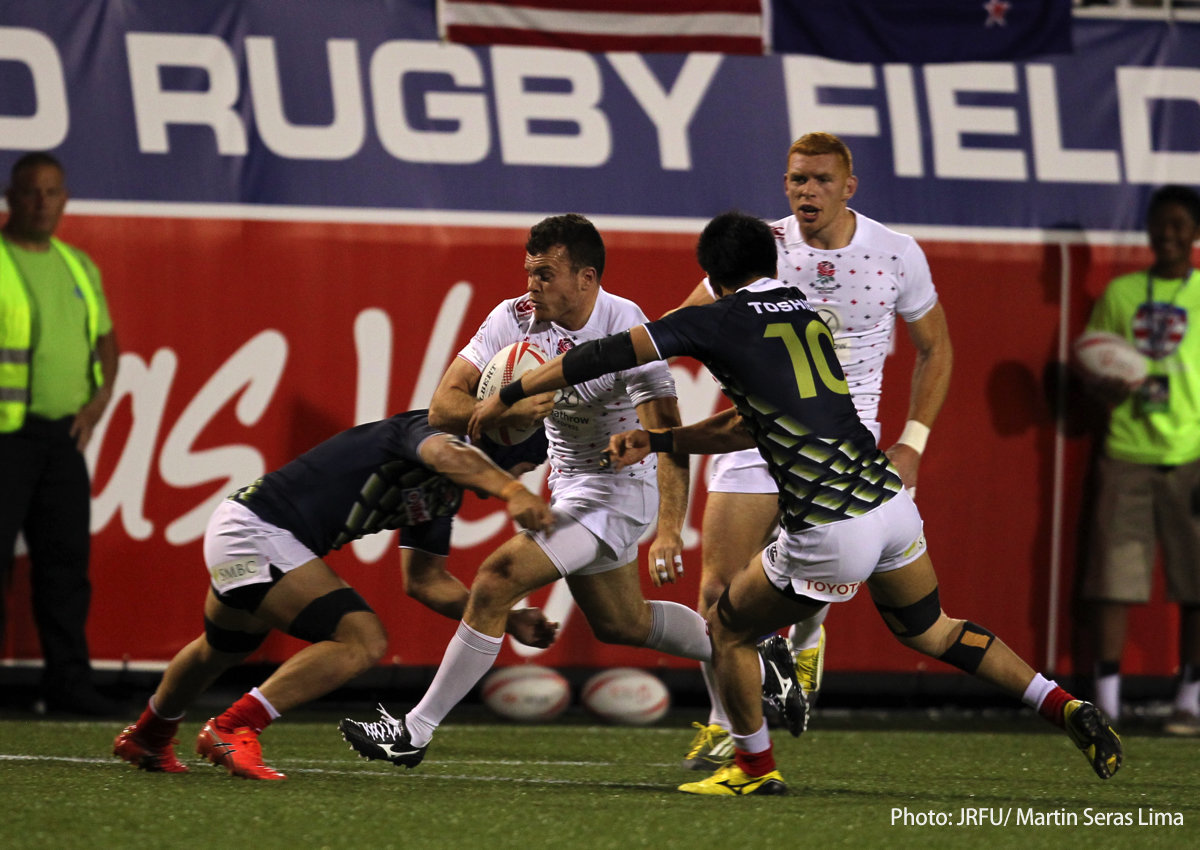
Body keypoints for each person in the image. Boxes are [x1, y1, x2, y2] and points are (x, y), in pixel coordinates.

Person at [472, 210, 1122, 796]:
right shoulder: (805, 313)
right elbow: (747, 423)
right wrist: (663, 438)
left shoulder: (715, 317)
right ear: (772, 264)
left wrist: (512, 390)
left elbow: (608, 353)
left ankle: (754, 767)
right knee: (934, 630)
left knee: (726, 625)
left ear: (713, 275)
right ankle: (1059, 701)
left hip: (830, 526)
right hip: (889, 506)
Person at [337, 214, 802, 767]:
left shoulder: (626, 324)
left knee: (497, 578)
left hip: (621, 491)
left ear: (586, 278)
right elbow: (443, 408)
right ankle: (756, 653)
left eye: (546, 274)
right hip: (569, 487)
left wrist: (671, 529)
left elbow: (667, 432)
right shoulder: (514, 318)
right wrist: (507, 405)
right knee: (621, 623)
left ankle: (414, 731)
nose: (533, 286)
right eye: (529, 273)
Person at [671, 132, 952, 769]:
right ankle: (725, 726)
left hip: (840, 447)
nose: (807, 191)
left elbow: (938, 348)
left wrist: (912, 442)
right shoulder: (759, 248)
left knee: (818, 569)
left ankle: (808, 635)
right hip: (757, 432)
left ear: (848, 187)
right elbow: (685, 320)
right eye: (797, 179)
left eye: (821, 180)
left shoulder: (895, 253)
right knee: (716, 589)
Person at [112, 411, 559, 780]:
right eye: (525, 465)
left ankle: (149, 735)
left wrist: (509, 616)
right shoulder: (431, 433)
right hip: (257, 532)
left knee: (222, 647)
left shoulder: (440, 496)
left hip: (245, 530)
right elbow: (444, 451)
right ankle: (234, 726)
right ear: (505, 448)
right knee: (362, 641)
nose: (525, 475)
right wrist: (512, 490)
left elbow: (425, 580)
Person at [0, 152, 121, 716]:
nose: (42, 202)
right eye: (31, 192)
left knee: (66, 568)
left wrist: (97, 405)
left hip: (61, 440)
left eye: (52, 192)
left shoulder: (78, 265)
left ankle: (68, 685)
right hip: (6, 437)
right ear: (10, 198)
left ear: (65, 199)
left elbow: (106, 342)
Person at [1078, 184, 1200, 737]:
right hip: (1126, 451)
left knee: (1196, 586)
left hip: (1191, 455)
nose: (1169, 234)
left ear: (1195, 233)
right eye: (1161, 223)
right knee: (1112, 582)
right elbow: (1090, 364)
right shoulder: (1123, 293)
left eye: (1180, 225)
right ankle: (1106, 703)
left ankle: (1190, 701)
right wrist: (1103, 384)